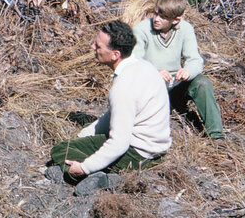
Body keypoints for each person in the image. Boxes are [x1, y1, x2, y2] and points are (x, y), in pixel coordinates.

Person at [50, 20, 172, 187]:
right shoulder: (144, 66)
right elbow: (114, 116)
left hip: (138, 153)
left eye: (98, 46)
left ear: (115, 54)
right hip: (157, 148)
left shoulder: (123, 88)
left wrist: (84, 168)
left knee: (61, 150)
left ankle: (104, 180)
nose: (92, 47)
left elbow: (119, 143)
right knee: (78, 145)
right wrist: (84, 135)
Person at [133, 0, 223, 139]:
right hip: (150, 87)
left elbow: (195, 60)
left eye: (163, 17)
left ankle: (216, 135)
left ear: (175, 20)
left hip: (175, 84)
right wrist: (154, 73)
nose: (156, 19)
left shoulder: (185, 29)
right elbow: (134, 61)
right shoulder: (142, 29)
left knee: (202, 83)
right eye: (155, 13)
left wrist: (188, 71)